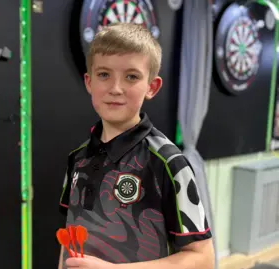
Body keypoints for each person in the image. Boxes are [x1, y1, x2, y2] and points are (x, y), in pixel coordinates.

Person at [58, 22, 214, 269]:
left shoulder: (169, 162)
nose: (115, 88)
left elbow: (203, 259)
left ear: (151, 87)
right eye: (104, 75)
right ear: (89, 82)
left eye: (131, 76)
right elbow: (69, 237)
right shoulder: (77, 159)